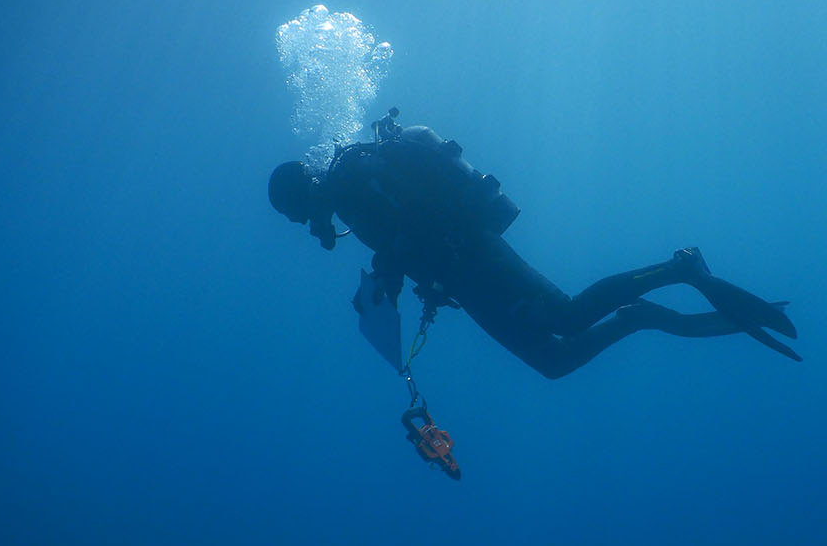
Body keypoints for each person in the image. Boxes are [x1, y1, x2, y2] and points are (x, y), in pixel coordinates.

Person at [269, 108, 800, 379]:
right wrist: (395, 277)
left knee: (567, 318)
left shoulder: (359, 178)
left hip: (475, 255)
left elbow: (417, 223)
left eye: (297, 213)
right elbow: (402, 242)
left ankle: (678, 268)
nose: (304, 224)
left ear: (303, 192)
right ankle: (640, 316)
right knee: (554, 363)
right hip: (462, 281)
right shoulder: (352, 196)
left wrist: (388, 269)